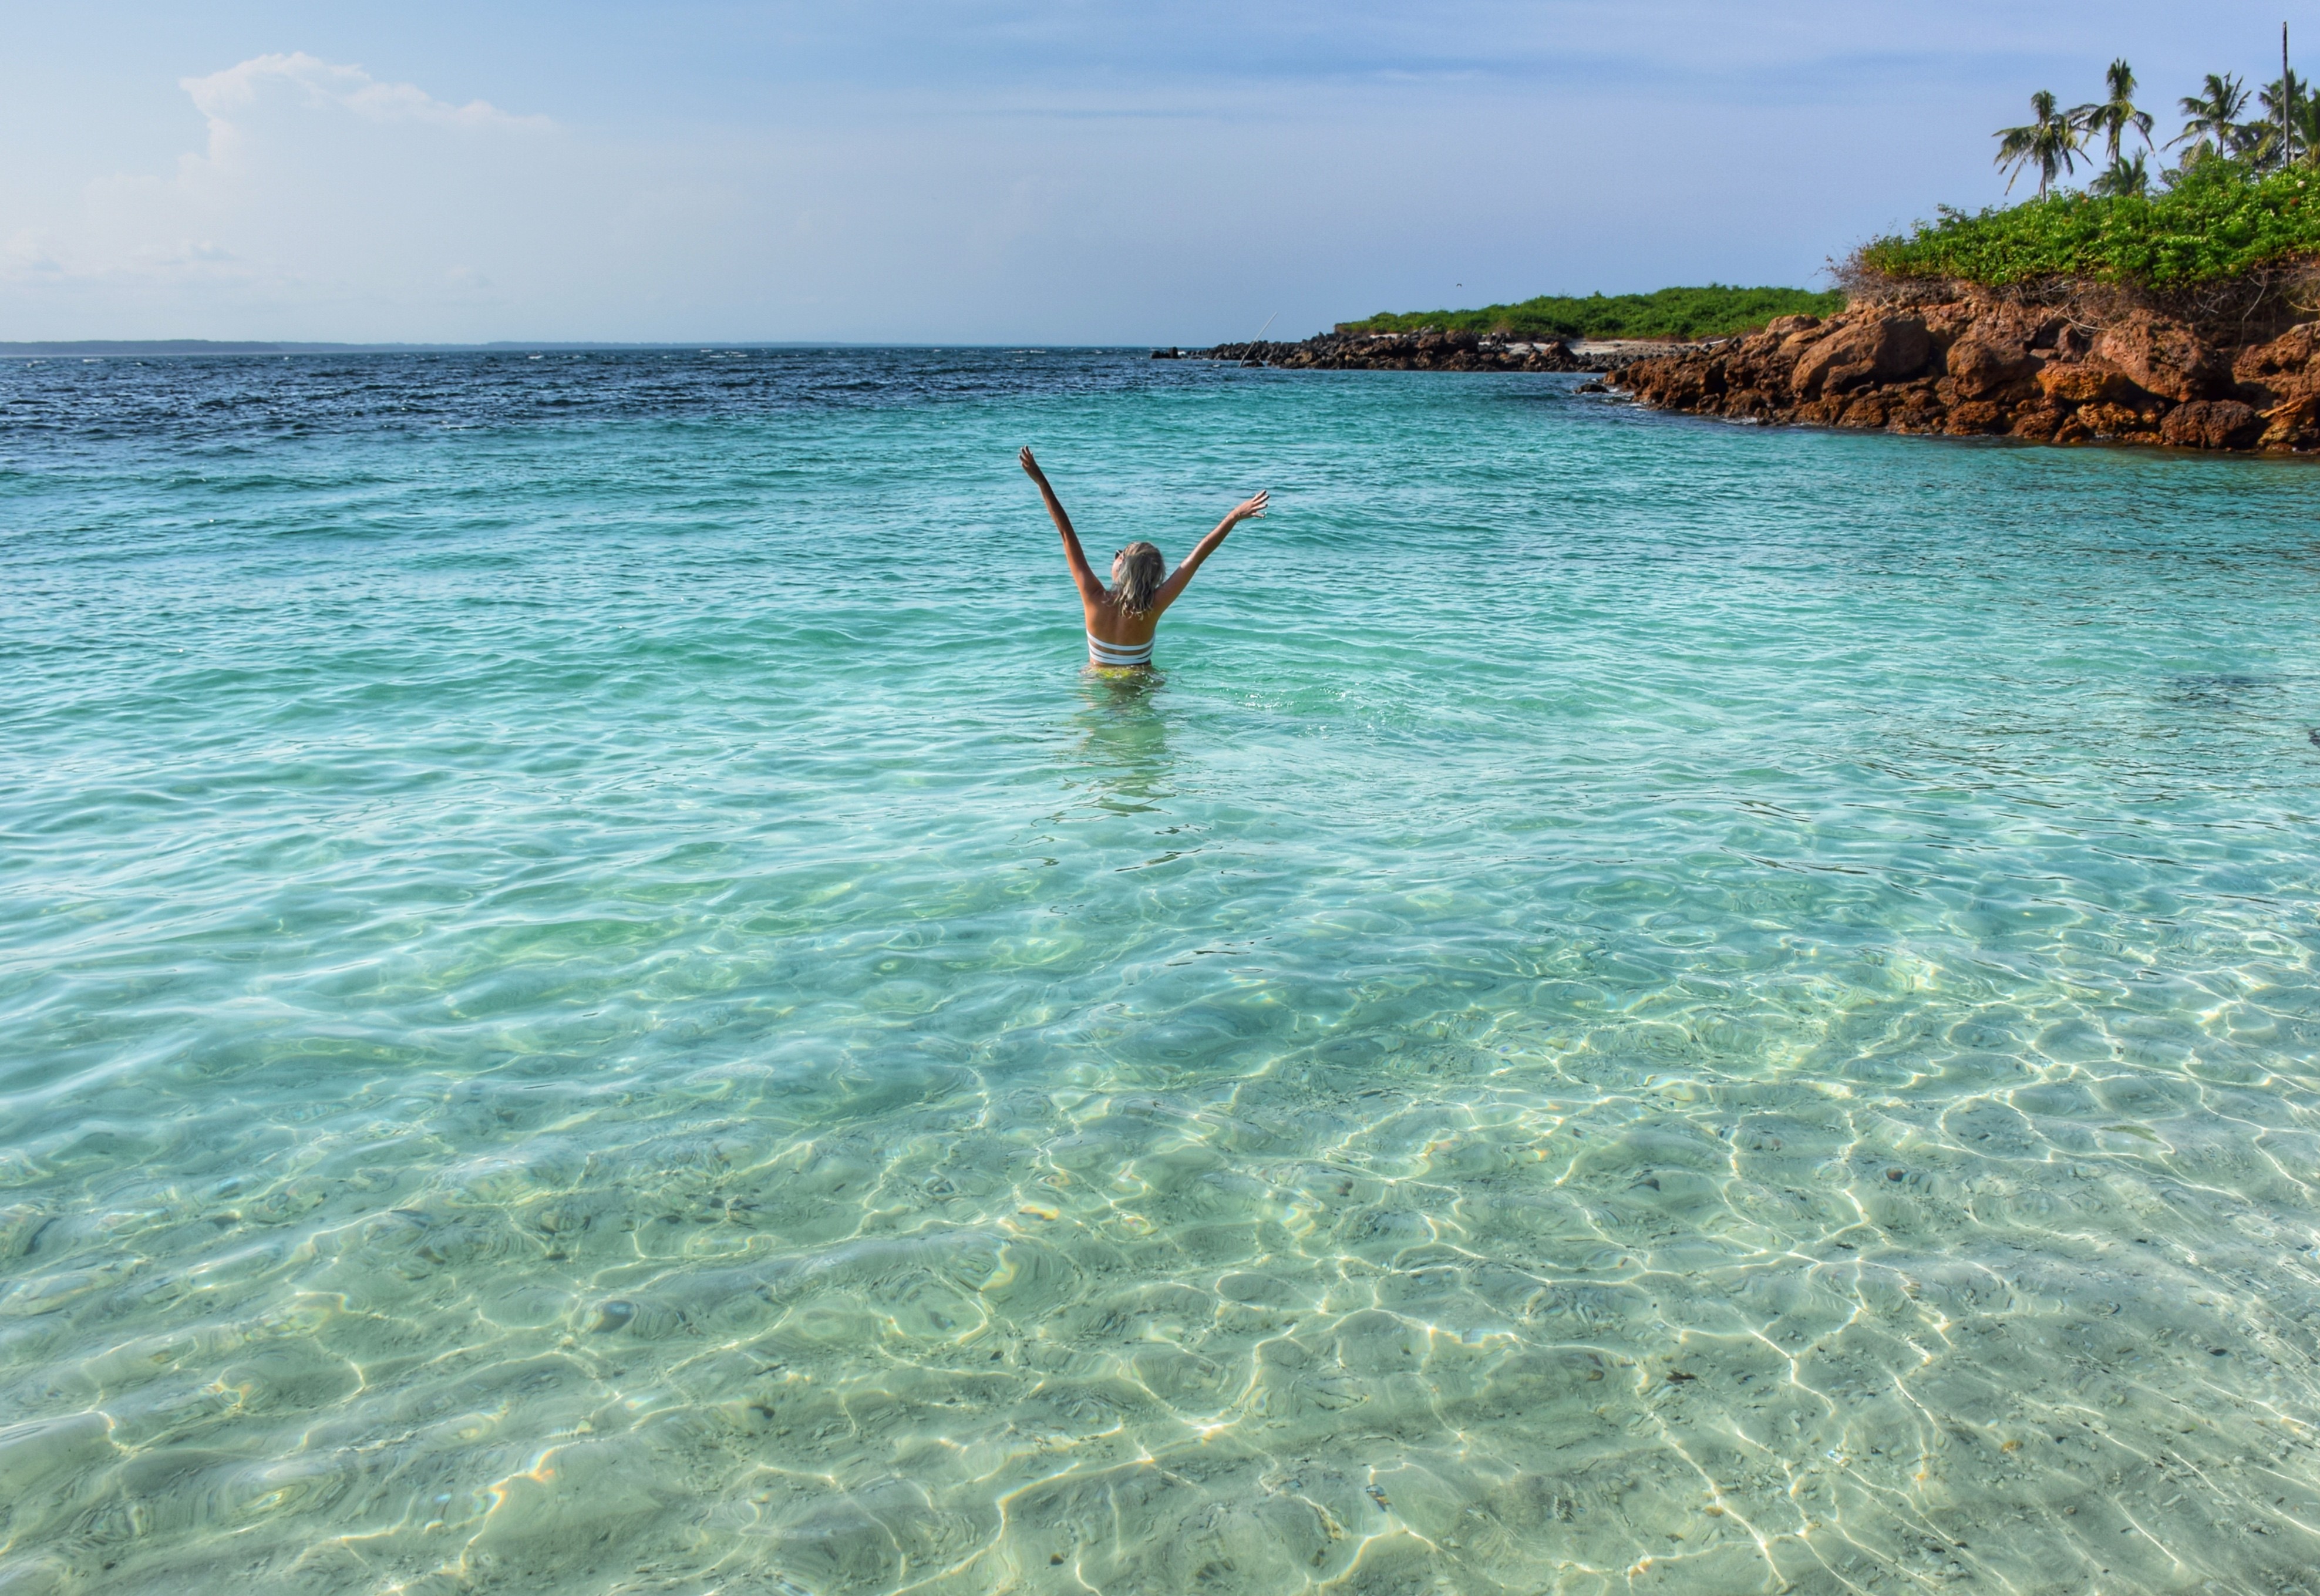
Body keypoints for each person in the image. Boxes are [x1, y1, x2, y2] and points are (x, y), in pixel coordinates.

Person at [1018, 447, 1267, 669]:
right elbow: (1198, 557)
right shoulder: (1153, 606)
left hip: (1098, 681)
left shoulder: (1093, 598)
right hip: (1139, 684)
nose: (1116, 554)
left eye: (1121, 554)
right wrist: (1234, 515)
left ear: (1125, 569)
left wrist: (1041, 482)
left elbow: (1066, 534)